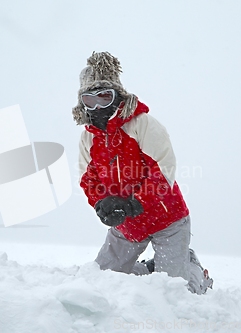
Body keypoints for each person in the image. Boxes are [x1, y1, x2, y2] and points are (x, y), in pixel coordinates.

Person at [73, 51, 213, 294]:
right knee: (102, 279)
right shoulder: (88, 137)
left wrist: (133, 203)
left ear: (117, 96)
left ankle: (193, 271)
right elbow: (88, 179)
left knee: (176, 291)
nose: (97, 107)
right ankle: (150, 269)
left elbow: (164, 169)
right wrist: (102, 203)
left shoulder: (142, 125)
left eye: (104, 97)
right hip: (128, 226)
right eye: (89, 100)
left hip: (166, 220)